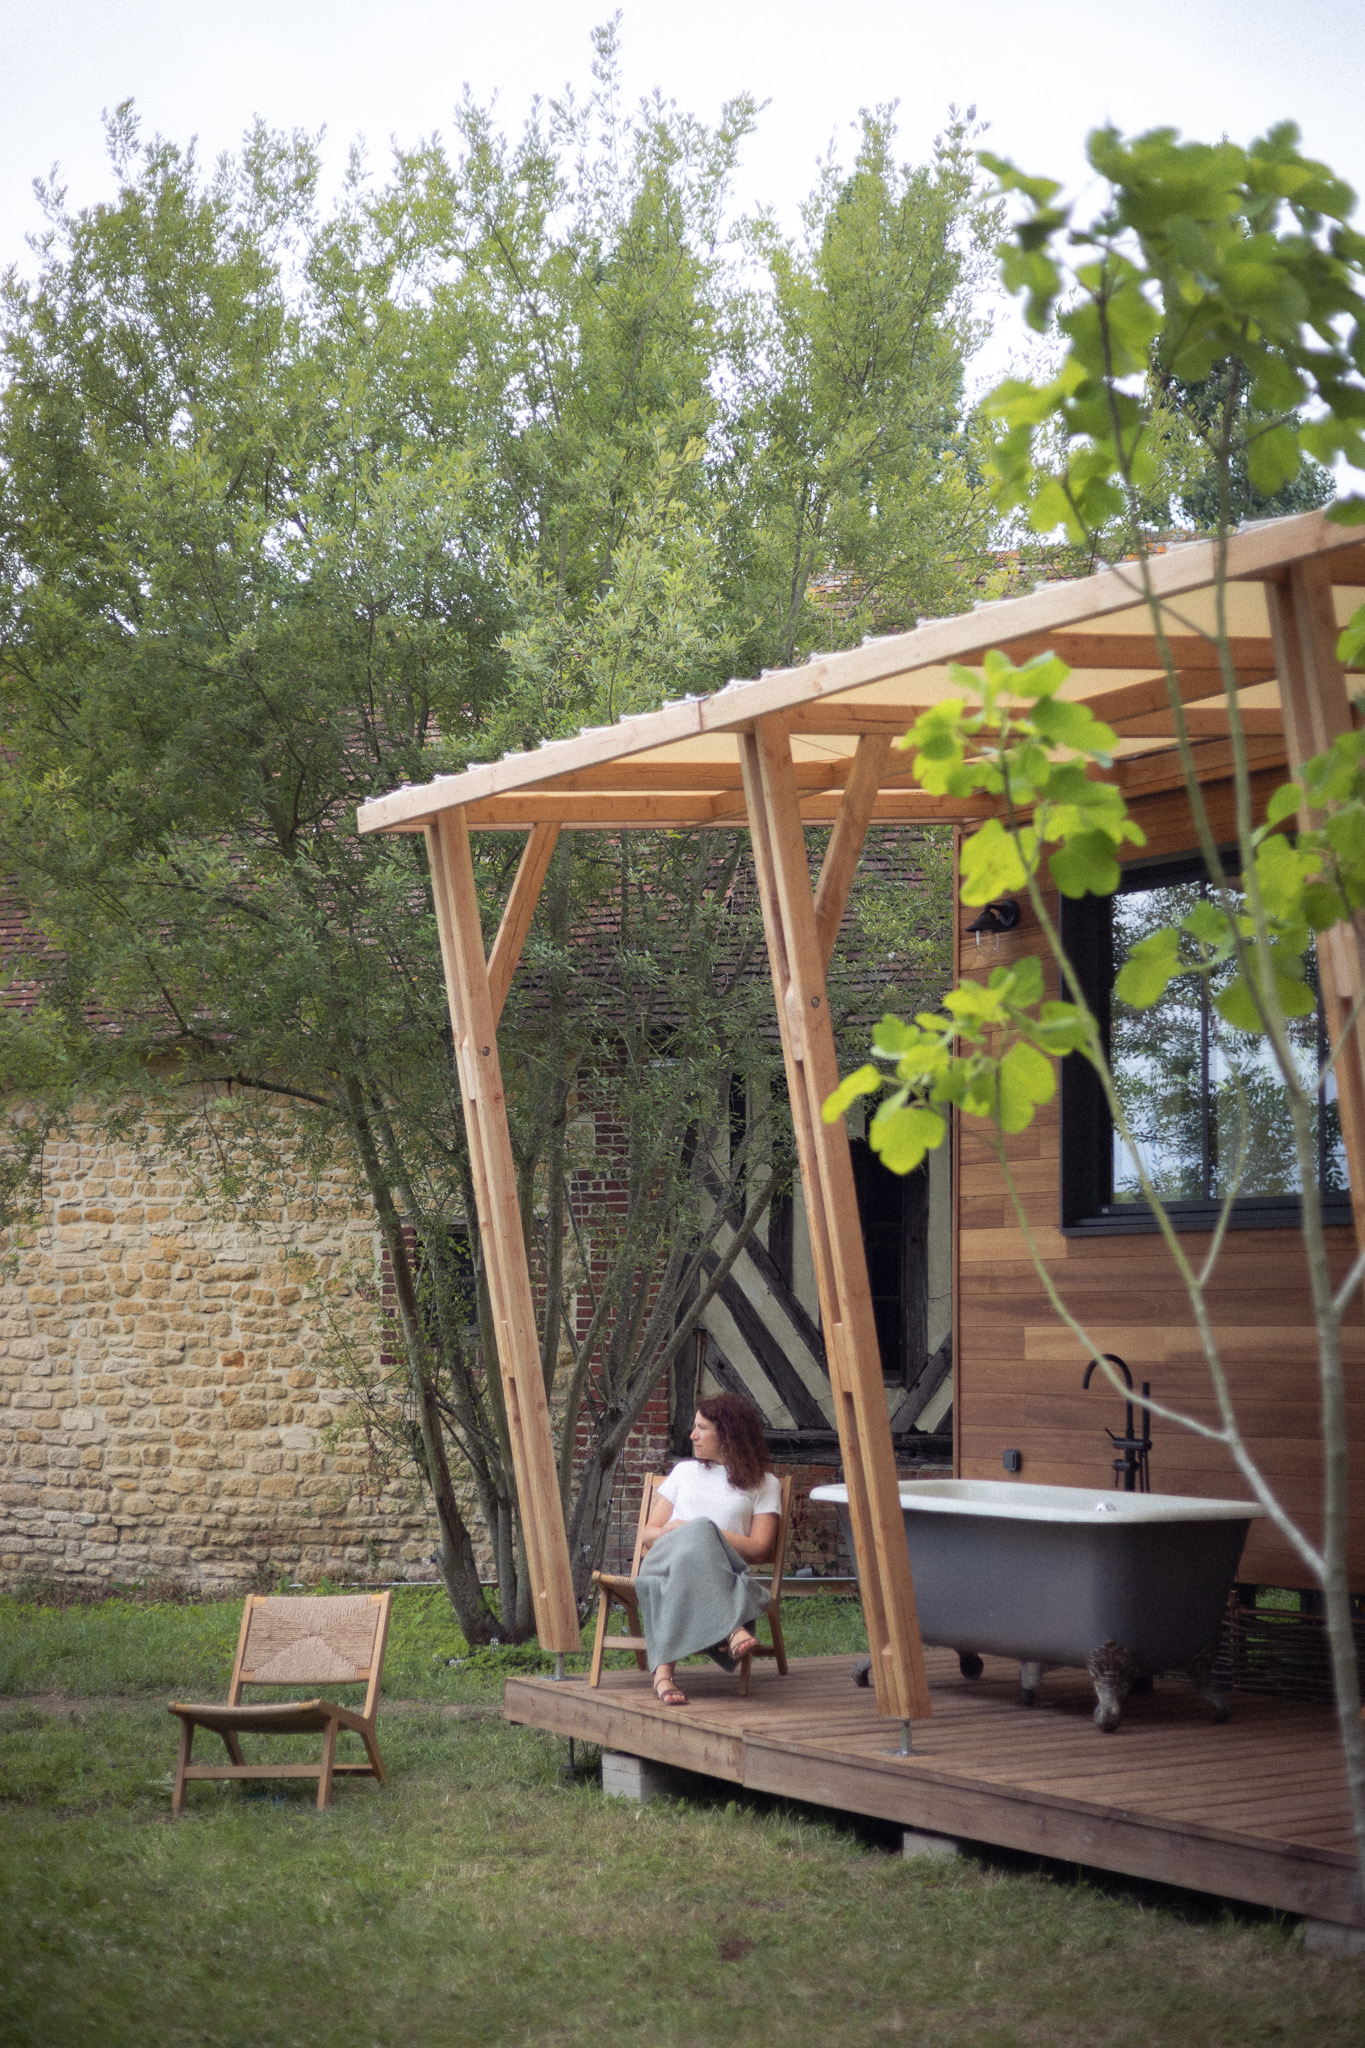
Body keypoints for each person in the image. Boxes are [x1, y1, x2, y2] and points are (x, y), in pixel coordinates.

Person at [635, 1392, 781, 1707]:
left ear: (728, 1434)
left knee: (697, 1538)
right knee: (696, 1534)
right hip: (662, 1562)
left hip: (715, 1571)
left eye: (702, 1428)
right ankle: (732, 1628)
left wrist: (702, 1529)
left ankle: (663, 1675)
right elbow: (647, 1535)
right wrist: (679, 1530)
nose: (692, 1435)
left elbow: (759, 1548)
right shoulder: (684, 1472)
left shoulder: (764, 1483)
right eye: (694, 1427)